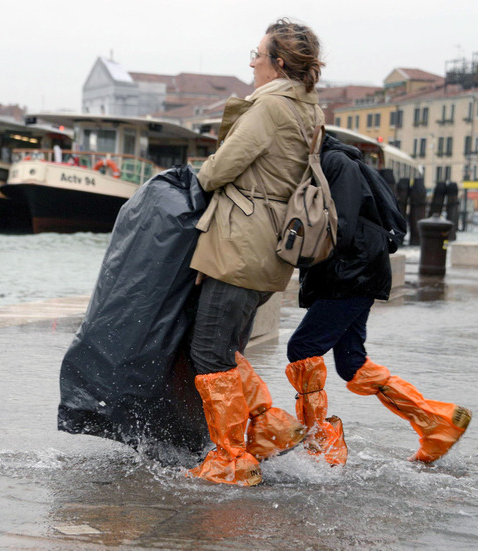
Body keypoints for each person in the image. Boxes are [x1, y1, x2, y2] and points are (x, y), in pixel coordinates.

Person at [186, 18, 325, 487]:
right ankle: (268, 428)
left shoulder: (269, 110)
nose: (251, 62)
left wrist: (199, 176)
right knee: (226, 346)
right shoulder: (310, 111)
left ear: (278, 63)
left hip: (241, 244)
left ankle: (230, 458)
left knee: (209, 351)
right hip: (270, 246)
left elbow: (220, 168)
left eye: (258, 54)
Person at [285, 135, 472, 466]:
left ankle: (321, 444)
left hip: (351, 272)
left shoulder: (336, 164)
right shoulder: (333, 161)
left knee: (302, 349)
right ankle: (437, 421)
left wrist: (291, 254)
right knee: (351, 363)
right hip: (356, 270)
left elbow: (339, 227)